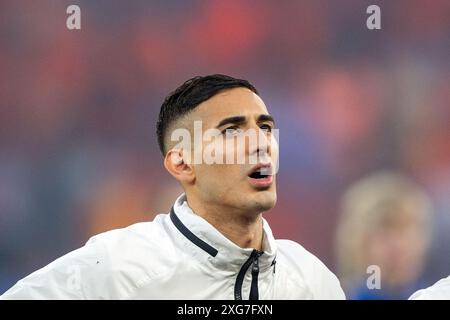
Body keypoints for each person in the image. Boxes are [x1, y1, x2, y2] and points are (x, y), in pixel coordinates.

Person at [1, 74, 345, 299]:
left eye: (266, 128)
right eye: (231, 131)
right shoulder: (118, 268)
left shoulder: (311, 279)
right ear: (182, 163)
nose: (260, 144)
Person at [335, 171, 432, 300]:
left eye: (405, 231)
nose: (398, 245)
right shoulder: (338, 295)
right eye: (385, 234)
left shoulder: (437, 294)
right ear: (360, 243)